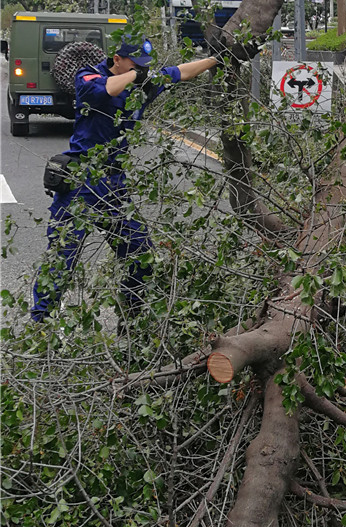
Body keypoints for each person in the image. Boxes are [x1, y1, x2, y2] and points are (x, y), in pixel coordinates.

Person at [30, 36, 219, 324]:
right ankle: (39, 326)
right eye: (135, 63)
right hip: (81, 181)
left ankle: (131, 320)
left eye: (145, 64)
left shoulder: (144, 80)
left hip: (115, 185)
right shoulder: (89, 76)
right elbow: (107, 89)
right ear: (116, 59)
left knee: (140, 253)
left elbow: (182, 71)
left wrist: (220, 57)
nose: (142, 69)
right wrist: (136, 75)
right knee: (61, 260)